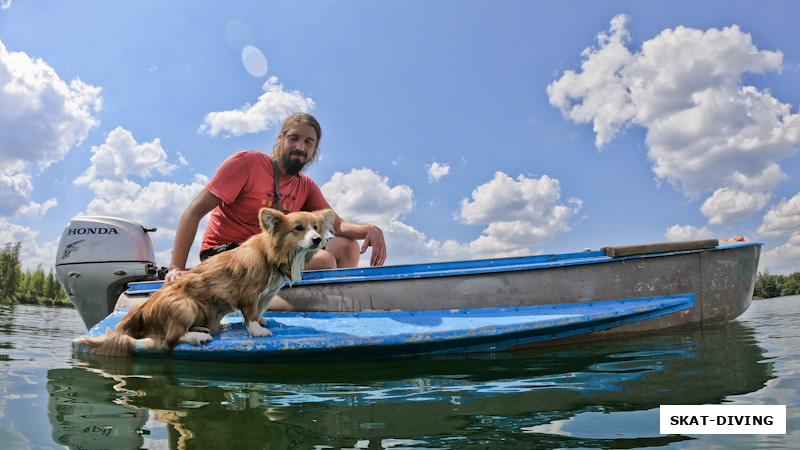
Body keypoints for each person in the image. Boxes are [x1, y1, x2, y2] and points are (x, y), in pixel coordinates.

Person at [165, 113, 386, 282]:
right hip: (227, 254)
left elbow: (338, 226)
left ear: (315, 149)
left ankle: (342, 309)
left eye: (308, 142)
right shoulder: (247, 163)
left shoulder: (305, 186)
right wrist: (175, 268)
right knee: (323, 260)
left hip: (270, 256)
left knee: (347, 246)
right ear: (281, 139)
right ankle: (301, 303)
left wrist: (371, 230)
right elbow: (193, 212)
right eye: (294, 138)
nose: (300, 147)